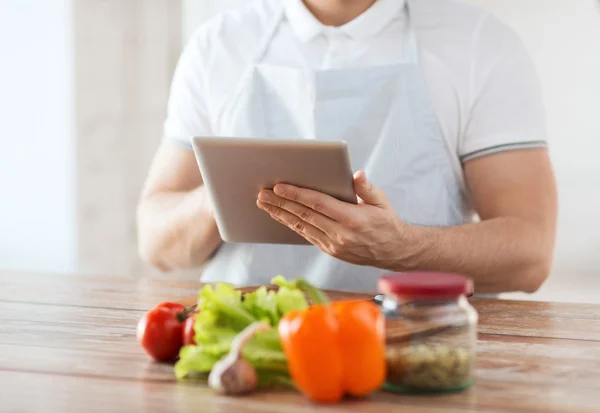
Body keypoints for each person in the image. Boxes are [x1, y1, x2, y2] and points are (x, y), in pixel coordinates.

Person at [137, 0, 558, 293]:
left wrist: (404, 248)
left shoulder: (479, 44)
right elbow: (156, 243)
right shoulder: (219, 44)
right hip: (246, 351)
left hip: (413, 345)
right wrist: (225, 194)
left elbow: (529, 255)